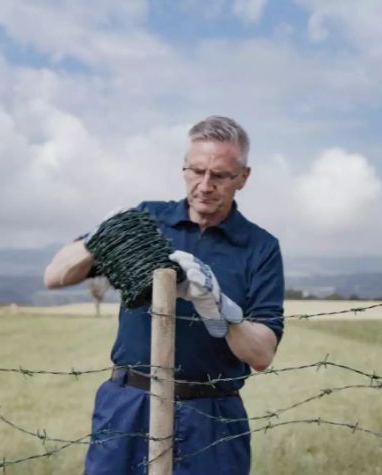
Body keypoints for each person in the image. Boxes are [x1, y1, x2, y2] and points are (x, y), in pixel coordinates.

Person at [43, 116, 285, 474]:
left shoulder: (260, 247)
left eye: (219, 176)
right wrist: (103, 236)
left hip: (212, 413)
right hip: (129, 403)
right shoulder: (147, 220)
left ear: (243, 178)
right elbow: (55, 276)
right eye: (196, 171)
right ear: (184, 168)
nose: (204, 185)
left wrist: (217, 306)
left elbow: (262, 354)